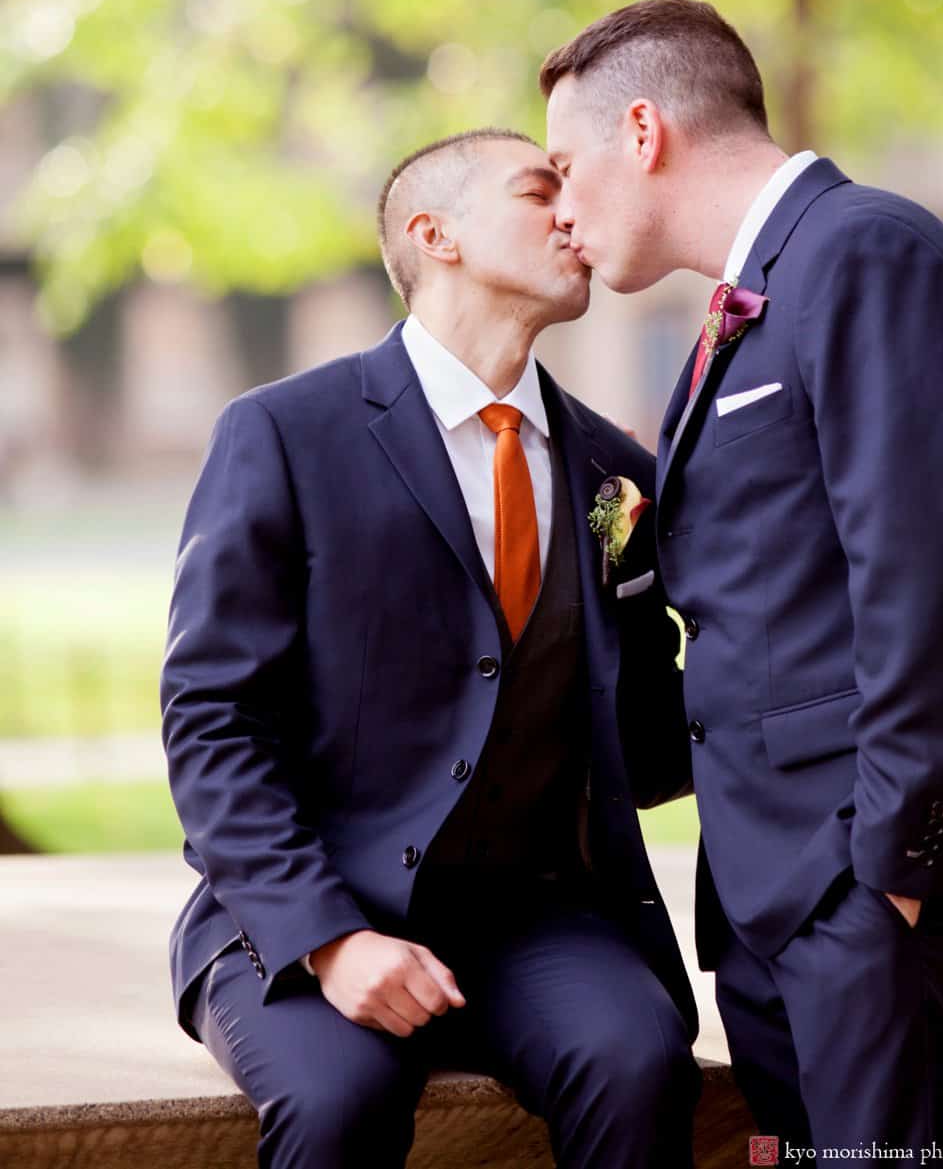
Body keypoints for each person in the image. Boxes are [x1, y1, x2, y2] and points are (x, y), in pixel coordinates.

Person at [540, 0, 943, 1157]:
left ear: (644, 131)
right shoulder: (756, 292)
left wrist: (889, 878)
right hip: (776, 892)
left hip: (875, 889)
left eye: (564, 166)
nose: (560, 207)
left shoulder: (866, 252)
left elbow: (924, 578)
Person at [161, 126, 700, 1169]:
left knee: (638, 1063)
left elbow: (646, 731)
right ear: (434, 235)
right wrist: (327, 936)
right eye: (538, 189)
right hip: (304, 905)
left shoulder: (613, 474)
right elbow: (213, 715)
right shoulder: (283, 434)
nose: (572, 214)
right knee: (337, 1102)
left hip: (533, 917)